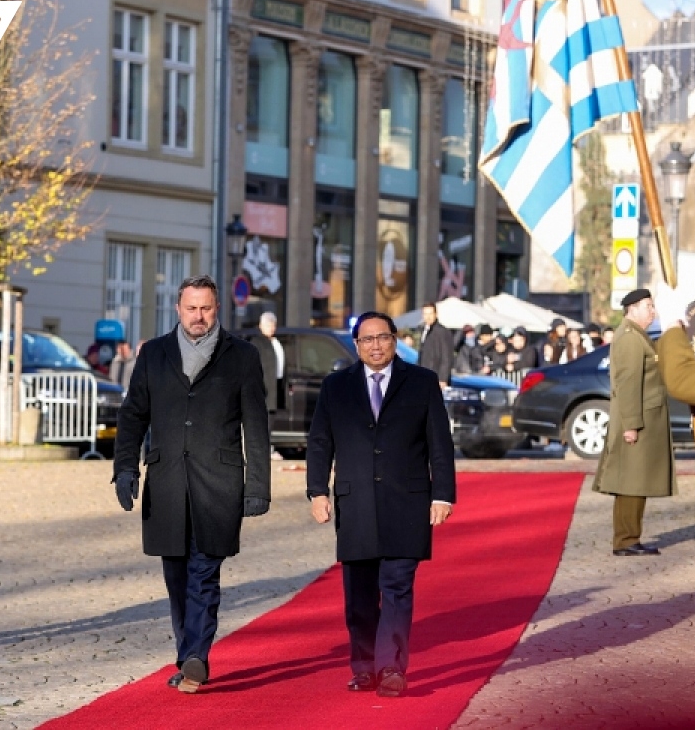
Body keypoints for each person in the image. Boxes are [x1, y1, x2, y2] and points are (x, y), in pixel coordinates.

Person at [112, 274, 271, 693]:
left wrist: (257, 486)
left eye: (206, 308)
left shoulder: (242, 356)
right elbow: (132, 416)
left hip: (219, 483)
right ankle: (188, 656)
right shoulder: (154, 354)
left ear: (217, 308)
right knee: (176, 575)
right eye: (191, 308)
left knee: (205, 572)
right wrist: (125, 468)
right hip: (165, 483)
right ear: (178, 309)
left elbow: (256, 426)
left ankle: (197, 653)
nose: (198, 316)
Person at [306, 311, 456, 698]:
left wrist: (443, 494)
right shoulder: (336, 387)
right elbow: (320, 442)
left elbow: (440, 443)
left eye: (383, 338)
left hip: (407, 502)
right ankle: (364, 666)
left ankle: (392, 667)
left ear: (395, 339)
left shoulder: (421, 382)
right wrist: (318, 491)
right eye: (367, 340)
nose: (376, 346)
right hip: (355, 504)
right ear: (356, 346)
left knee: (397, 588)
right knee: (359, 596)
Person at [591, 288, 675, 557]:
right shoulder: (629, 338)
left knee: (635, 481)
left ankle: (629, 537)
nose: (653, 311)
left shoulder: (638, 336)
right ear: (633, 308)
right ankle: (626, 540)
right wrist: (630, 424)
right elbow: (627, 385)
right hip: (636, 419)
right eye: (648, 306)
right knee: (630, 482)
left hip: (642, 417)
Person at [249, 312, 286, 461]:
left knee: (271, 418)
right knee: (263, 419)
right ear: (260, 326)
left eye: (273, 324)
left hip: (276, 384)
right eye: (268, 324)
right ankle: (263, 449)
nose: (271, 327)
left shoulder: (276, 342)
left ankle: (267, 447)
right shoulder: (257, 342)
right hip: (263, 386)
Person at [416, 302, 454, 387]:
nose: (428, 317)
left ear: (436, 314)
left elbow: (447, 357)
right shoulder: (424, 330)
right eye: (425, 314)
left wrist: (443, 379)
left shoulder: (442, 331)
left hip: (436, 377)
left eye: (430, 314)